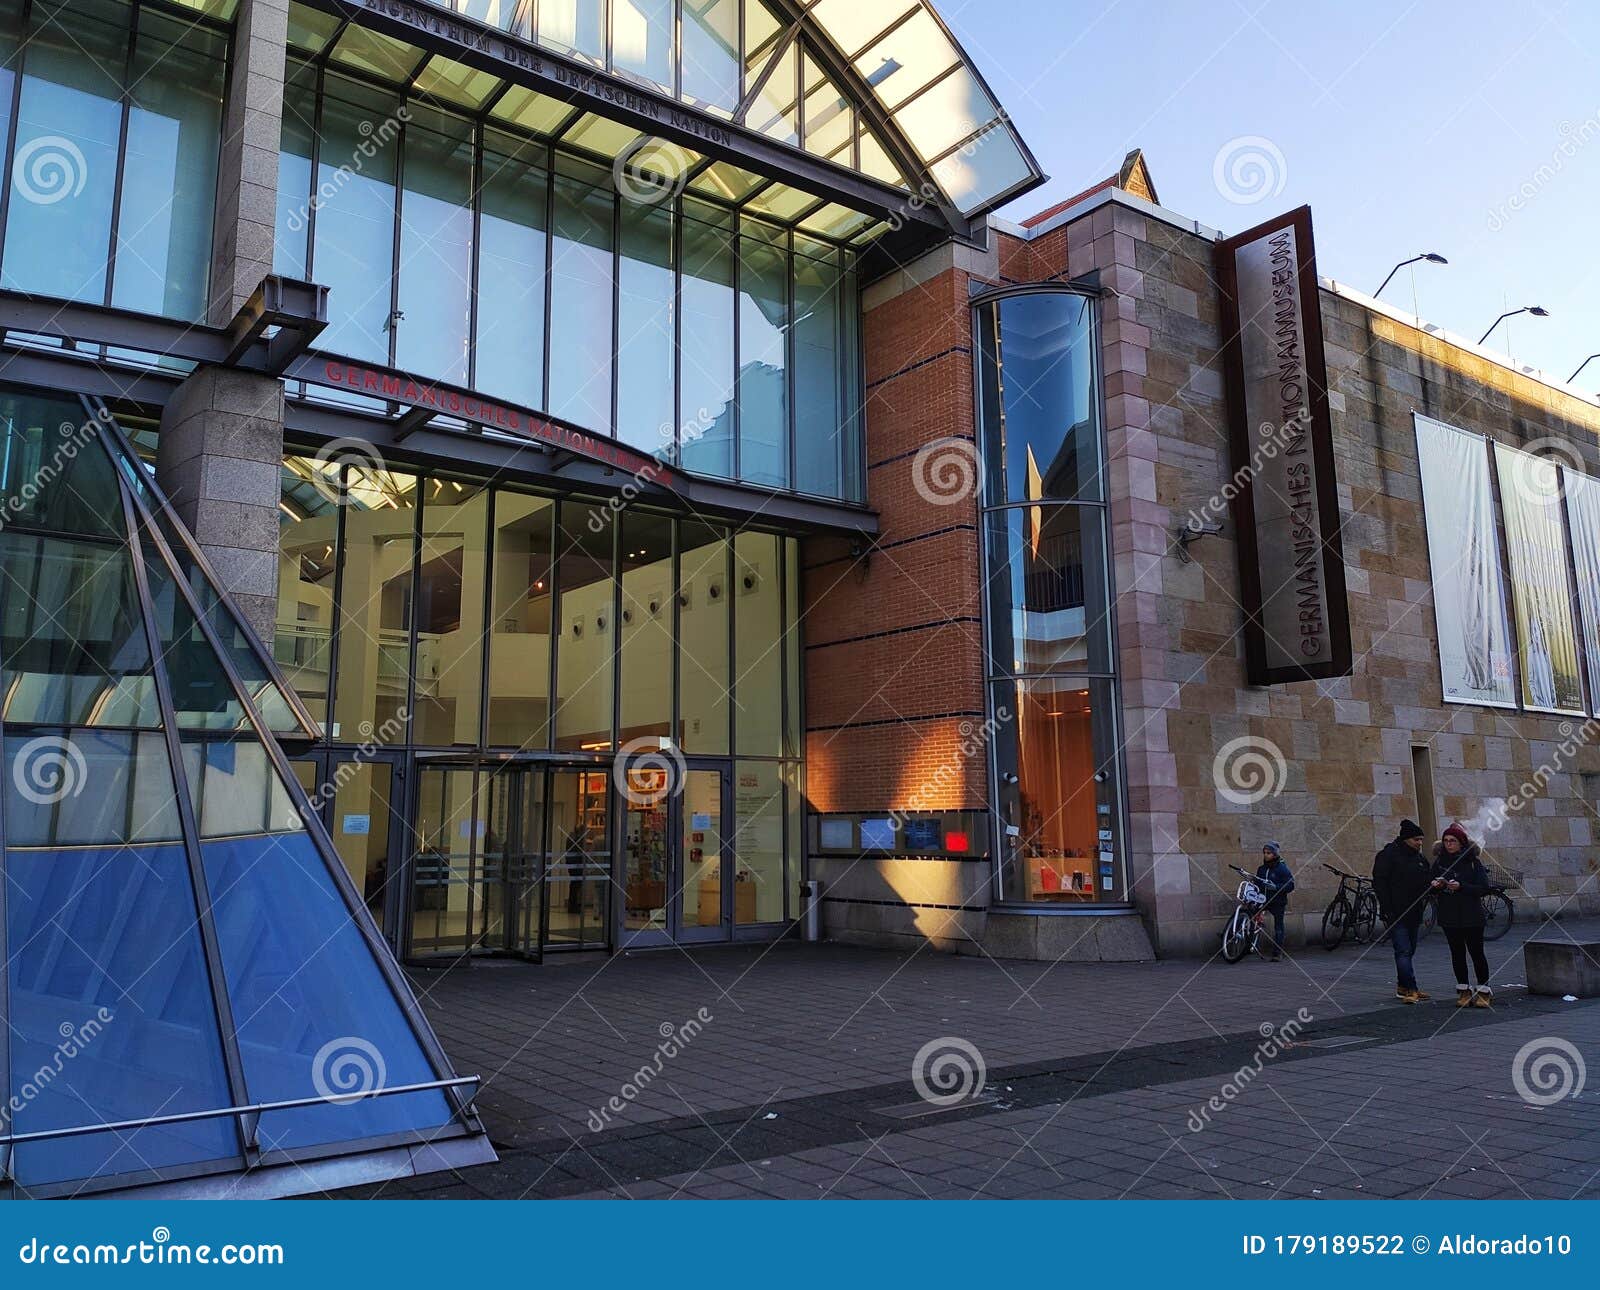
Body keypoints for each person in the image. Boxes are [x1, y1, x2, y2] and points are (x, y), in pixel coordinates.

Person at [1430, 822, 1494, 1008]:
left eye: (1453, 841)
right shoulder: (1440, 862)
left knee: (1477, 954)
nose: (1449, 844)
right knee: (1457, 954)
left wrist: (1462, 886)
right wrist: (1436, 885)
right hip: (1449, 915)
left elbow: (1483, 888)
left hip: (1471, 915)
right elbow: (1430, 882)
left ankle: (1483, 991)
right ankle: (1464, 991)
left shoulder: (1473, 862)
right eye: (1446, 841)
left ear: (1461, 843)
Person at [1372, 819, 1432, 1003]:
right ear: (1406, 838)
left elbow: (1425, 881)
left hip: (1414, 911)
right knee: (1403, 950)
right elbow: (1380, 883)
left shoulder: (1419, 858)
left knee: (1410, 949)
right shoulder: (1389, 855)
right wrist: (1387, 908)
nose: (1420, 843)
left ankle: (1402, 986)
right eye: (1416, 839)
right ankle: (1411, 988)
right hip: (1396, 912)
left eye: (1421, 839)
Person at [1254, 842, 1295, 962]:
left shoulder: (1282, 869)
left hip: (1277, 902)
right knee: (1251, 917)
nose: (1266, 855)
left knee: (1278, 927)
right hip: (1262, 900)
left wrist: (1276, 887)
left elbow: (1290, 885)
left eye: (1269, 853)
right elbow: (1258, 883)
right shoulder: (1261, 869)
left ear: (1275, 854)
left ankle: (1277, 953)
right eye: (1265, 853)